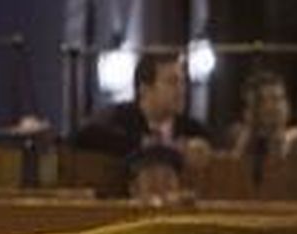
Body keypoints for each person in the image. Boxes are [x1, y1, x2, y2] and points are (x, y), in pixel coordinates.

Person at [74, 51, 211, 166]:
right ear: (144, 89)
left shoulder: (193, 130)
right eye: (172, 82)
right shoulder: (119, 118)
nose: (181, 90)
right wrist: (144, 144)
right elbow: (82, 137)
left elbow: (218, 151)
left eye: (182, 82)